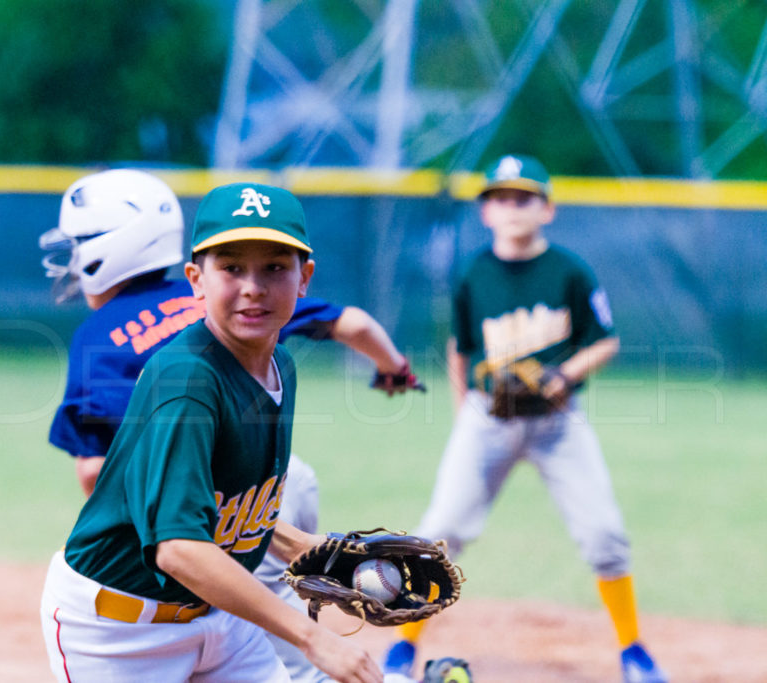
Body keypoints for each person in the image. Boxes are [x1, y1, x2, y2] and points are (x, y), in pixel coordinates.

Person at [40, 169, 420, 681]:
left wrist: (309, 550)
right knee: (310, 655)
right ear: (196, 279)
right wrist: (314, 638)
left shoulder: (278, 361)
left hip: (216, 614)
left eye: (274, 267)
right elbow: (178, 547)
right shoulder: (185, 379)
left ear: (304, 276)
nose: (252, 288)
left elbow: (225, 508)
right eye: (232, 267)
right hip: (120, 632)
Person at [382, 155, 668, 683]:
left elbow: (605, 340)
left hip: (558, 423)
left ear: (548, 209)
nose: (511, 208)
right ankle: (402, 647)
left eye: (523, 198)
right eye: (500, 198)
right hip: (487, 420)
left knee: (605, 535)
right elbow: (460, 349)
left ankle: (634, 650)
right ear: (486, 212)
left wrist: (563, 375)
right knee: (442, 529)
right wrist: (464, 413)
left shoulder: (569, 271)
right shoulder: (473, 272)